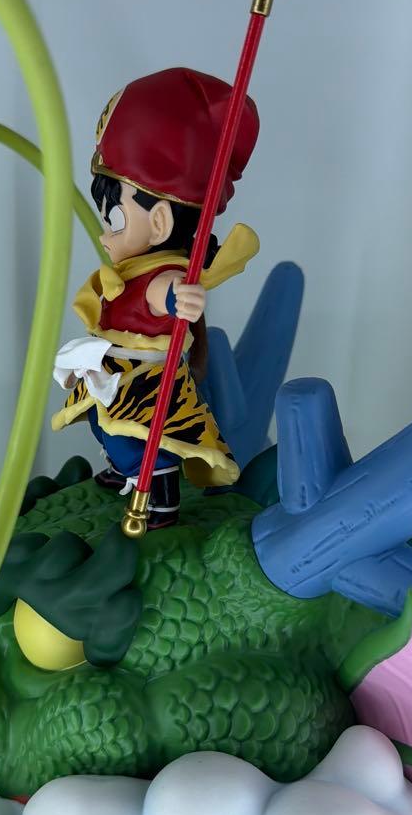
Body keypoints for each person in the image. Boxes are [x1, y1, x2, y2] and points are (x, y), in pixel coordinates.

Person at [51, 67, 260, 528]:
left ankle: (159, 491)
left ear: (160, 222)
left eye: (115, 219)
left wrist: (179, 300)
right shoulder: (133, 269)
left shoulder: (161, 275)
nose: (105, 236)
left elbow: (166, 293)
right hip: (115, 371)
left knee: (134, 435)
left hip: (142, 380)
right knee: (100, 422)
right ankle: (123, 469)